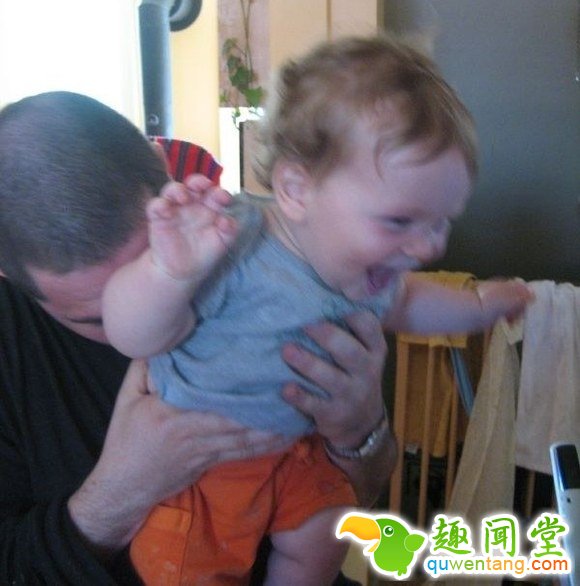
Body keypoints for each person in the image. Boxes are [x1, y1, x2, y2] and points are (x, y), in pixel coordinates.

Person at [102, 35, 533, 585]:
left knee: (327, 535)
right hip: (203, 469)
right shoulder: (231, 241)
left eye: (442, 221)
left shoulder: (368, 272)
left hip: (298, 454)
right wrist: (168, 273)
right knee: (188, 568)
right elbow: (132, 335)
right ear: (296, 189)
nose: (430, 247)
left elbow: (410, 302)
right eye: (401, 221)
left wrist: (478, 307)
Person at [0, 90, 397, 585]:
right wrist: (119, 492)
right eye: (100, 319)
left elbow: (364, 494)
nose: (158, 324)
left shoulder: (280, 252)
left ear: (164, 167)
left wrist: (361, 435)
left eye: (176, 268)